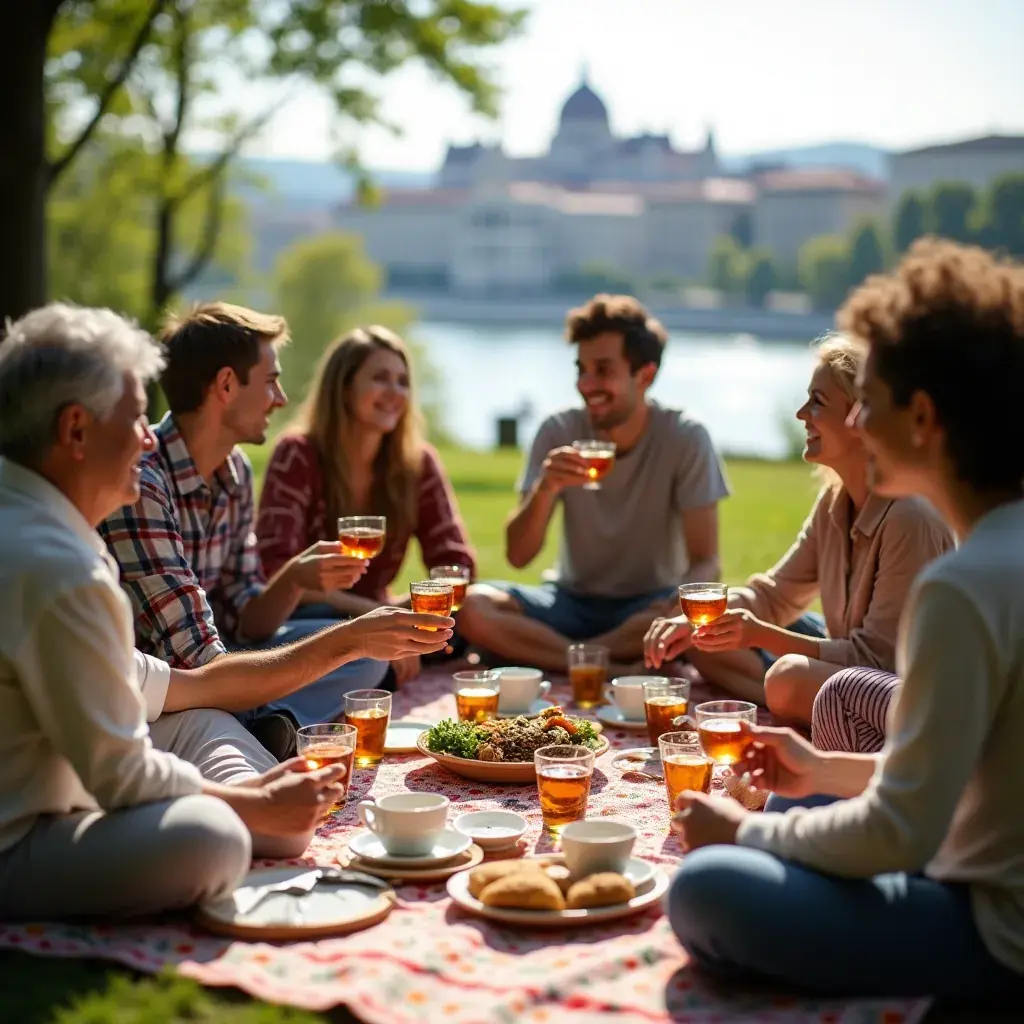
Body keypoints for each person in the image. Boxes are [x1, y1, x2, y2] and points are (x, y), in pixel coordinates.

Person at [665, 239, 1024, 999]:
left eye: (872, 400)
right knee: (803, 803)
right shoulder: (1001, 550)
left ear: (920, 417)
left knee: (707, 887)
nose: (857, 418)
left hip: (993, 934)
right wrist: (821, 769)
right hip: (969, 859)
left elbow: (903, 831)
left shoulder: (965, 584)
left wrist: (748, 832)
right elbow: (960, 782)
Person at [0, 303, 352, 919]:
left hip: (85, 764)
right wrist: (250, 804)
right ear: (76, 431)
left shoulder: (47, 525)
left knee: (269, 805)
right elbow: (119, 775)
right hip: (24, 833)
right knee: (213, 841)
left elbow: (155, 681)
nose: (147, 438)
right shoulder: (56, 564)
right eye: (136, 418)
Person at [98, 303, 401, 751]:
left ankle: (275, 724)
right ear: (225, 385)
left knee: (366, 656)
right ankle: (267, 723)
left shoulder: (234, 471)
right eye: (271, 381)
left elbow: (248, 619)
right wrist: (338, 643)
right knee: (343, 646)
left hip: (221, 662)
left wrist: (295, 579)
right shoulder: (141, 481)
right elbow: (194, 659)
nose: (279, 399)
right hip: (170, 688)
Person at [644, 333, 952, 716]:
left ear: (863, 417)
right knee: (705, 640)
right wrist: (690, 619)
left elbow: (877, 660)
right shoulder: (835, 503)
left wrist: (761, 635)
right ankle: (791, 702)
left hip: (905, 695)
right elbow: (774, 597)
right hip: (848, 666)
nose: (801, 413)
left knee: (788, 676)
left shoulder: (910, 516)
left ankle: (791, 699)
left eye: (817, 402)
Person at [457, 294, 730, 672]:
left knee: (672, 617)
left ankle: (558, 655)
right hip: (568, 601)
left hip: (646, 606)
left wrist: (675, 607)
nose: (586, 385)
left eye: (603, 370)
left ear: (645, 375)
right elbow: (519, 556)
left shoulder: (685, 436)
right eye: (580, 369)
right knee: (473, 605)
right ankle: (609, 667)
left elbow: (706, 562)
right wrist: (545, 489)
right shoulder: (559, 431)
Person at [256, 326, 475, 686]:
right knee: (340, 650)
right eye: (381, 378)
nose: (395, 392)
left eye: (403, 381)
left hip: (379, 612)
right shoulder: (297, 455)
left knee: (472, 615)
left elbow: (456, 564)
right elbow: (275, 571)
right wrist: (376, 619)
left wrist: (409, 615)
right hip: (310, 620)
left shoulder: (417, 463)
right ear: (344, 388)